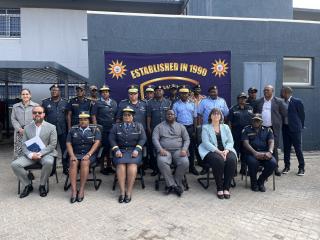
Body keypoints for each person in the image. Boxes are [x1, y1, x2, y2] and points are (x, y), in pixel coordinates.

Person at [11, 106, 57, 198]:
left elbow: (52, 145)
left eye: (39, 113)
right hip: (30, 154)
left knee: (48, 162)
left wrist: (40, 154)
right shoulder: (27, 128)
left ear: (43, 114)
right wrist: (31, 155)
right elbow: (23, 145)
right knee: (15, 164)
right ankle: (28, 185)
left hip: (45, 154)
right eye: (35, 113)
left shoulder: (51, 127)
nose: (37, 114)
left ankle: (42, 185)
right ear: (32, 115)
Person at [109, 106, 146, 203]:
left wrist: (137, 149)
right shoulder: (116, 126)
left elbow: (143, 139)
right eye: (124, 115)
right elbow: (111, 139)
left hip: (134, 151)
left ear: (133, 116)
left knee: (132, 166)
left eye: (129, 115)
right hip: (120, 151)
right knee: (121, 165)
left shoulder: (138, 126)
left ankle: (129, 192)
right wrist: (116, 150)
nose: (126, 117)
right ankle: (122, 192)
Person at [198, 108, 237, 199]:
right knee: (218, 160)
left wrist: (226, 150)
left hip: (226, 149)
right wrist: (219, 152)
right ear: (210, 116)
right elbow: (206, 143)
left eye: (218, 114)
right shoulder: (205, 127)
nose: (216, 115)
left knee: (231, 160)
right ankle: (219, 188)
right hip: (211, 151)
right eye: (214, 114)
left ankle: (226, 188)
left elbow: (231, 141)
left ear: (221, 116)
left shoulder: (225, 127)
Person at [152, 110, 190, 197]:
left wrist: (184, 149)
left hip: (179, 151)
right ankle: (175, 185)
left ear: (175, 116)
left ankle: (172, 184)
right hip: (165, 151)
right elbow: (154, 139)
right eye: (168, 114)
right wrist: (160, 149)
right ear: (165, 116)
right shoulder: (159, 127)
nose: (170, 115)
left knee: (185, 162)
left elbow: (187, 139)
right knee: (161, 161)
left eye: (172, 114)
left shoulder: (181, 126)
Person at [66, 111, 101, 203]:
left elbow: (97, 143)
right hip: (76, 153)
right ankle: (74, 190)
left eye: (85, 119)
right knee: (73, 162)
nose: (83, 121)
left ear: (88, 120)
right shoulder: (73, 129)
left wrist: (89, 154)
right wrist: (72, 155)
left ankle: (81, 189)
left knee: (84, 162)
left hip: (89, 154)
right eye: (81, 119)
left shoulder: (94, 129)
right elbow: (68, 143)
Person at [254, 85, 287, 176]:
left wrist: (280, 124)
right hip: (261, 128)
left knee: (274, 147)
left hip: (273, 128)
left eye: (267, 90)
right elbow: (255, 114)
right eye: (264, 90)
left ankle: (275, 167)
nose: (265, 92)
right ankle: (259, 166)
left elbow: (284, 113)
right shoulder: (258, 101)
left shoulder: (279, 101)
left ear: (272, 91)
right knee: (259, 145)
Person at [242, 114, 277, 192]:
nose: (256, 122)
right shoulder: (246, 129)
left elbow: (271, 141)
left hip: (265, 153)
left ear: (261, 122)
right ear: (252, 120)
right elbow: (245, 143)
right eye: (254, 120)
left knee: (273, 163)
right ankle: (254, 183)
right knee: (253, 163)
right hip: (251, 153)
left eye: (258, 120)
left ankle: (261, 181)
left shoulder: (268, 130)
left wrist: (270, 151)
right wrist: (255, 153)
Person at [42, 84, 69, 175]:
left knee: (64, 149)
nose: (54, 91)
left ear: (59, 92)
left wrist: (69, 128)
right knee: (51, 149)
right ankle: (52, 169)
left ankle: (66, 168)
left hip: (63, 130)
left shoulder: (65, 102)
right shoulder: (45, 102)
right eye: (52, 90)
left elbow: (67, 116)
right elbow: (43, 116)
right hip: (50, 131)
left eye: (56, 90)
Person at [91, 84, 117, 175]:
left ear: (109, 93)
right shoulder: (97, 103)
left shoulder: (114, 102)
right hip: (102, 129)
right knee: (104, 148)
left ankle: (109, 166)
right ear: (101, 93)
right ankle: (102, 167)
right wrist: (95, 127)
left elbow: (116, 115)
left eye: (106, 92)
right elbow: (93, 115)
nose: (105, 93)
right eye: (103, 92)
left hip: (112, 129)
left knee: (110, 147)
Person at [172, 86, 199, 175]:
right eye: (182, 93)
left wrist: (195, 130)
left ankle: (192, 167)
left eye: (185, 93)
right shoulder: (176, 105)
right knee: (179, 147)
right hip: (180, 127)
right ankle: (177, 167)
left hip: (190, 127)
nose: (184, 95)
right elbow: (174, 119)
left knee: (191, 148)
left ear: (188, 94)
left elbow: (195, 117)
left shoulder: (192, 104)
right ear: (179, 94)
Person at [147, 85, 171, 176]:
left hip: (165, 129)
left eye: (160, 90)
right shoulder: (150, 103)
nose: (158, 92)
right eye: (156, 91)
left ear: (163, 92)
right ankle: (155, 168)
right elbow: (148, 116)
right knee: (154, 149)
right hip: (154, 129)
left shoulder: (168, 102)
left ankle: (165, 167)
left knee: (165, 147)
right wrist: (149, 127)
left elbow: (170, 116)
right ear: (154, 92)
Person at [281, 86, 305, 176]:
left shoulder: (297, 101)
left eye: (282, 92)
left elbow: (302, 115)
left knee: (298, 149)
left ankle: (301, 168)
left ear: (287, 93)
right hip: (285, 128)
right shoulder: (282, 102)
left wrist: (300, 126)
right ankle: (287, 166)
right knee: (286, 149)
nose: (281, 93)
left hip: (295, 129)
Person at [228, 92, 254, 174]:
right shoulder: (233, 109)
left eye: (244, 98)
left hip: (247, 134)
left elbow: (253, 121)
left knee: (245, 152)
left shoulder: (250, 108)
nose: (243, 99)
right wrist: (229, 134)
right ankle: (233, 169)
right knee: (235, 151)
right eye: (241, 98)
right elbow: (229, 122)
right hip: (236, 133)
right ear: (238, 99)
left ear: (246, 99)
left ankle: (243, 169)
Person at [11, 89, 39, 159]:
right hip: (19, 132)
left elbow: (37, 118)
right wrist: (19, 129)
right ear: (21, 96)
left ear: (30, 95)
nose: (25, 96)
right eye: (23, 94)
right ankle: (19, 166)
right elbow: (13, 119)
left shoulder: (36, 106)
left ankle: (30, 167)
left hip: (32, 131)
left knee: (32, 149)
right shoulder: (15, 106)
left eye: (27, 94)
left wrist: (27, 129)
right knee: (19, 151)